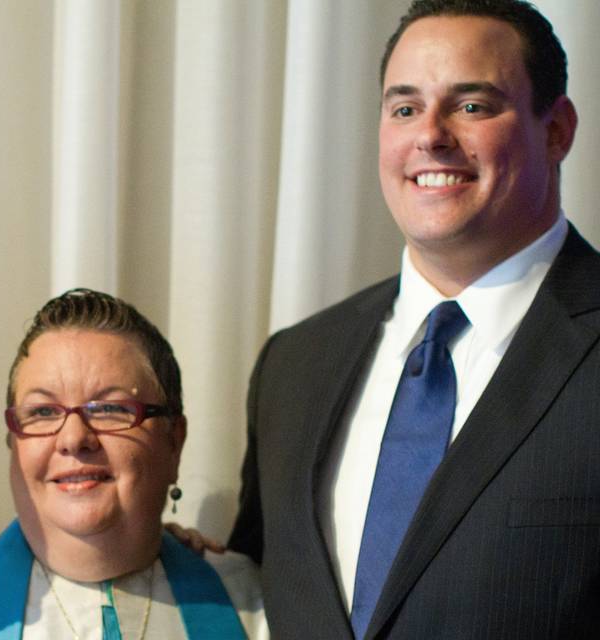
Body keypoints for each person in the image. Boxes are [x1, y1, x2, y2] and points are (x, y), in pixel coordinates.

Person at [228, 0, 597, 637]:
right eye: (405, 108)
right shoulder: (293, 365)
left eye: (472, 106)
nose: (430, 135)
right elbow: (255, 590)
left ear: (557, 129)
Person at [0, 288, 268, 639]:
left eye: (111, 408)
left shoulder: (258, 607)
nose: (74, 438)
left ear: (174, 441)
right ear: (13, 442)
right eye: (43, 411)